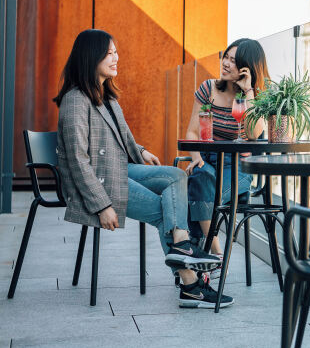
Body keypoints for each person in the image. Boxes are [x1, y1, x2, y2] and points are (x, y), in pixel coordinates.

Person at [54, 29, 233, 309]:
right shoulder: (76, 100)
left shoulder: (106, 96)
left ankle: (182, 244)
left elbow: (118, 138)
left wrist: (141, 151)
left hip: (118, 169)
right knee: (166, 210)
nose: (116, 57)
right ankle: (191, 285)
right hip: (97, 182)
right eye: (109, 52)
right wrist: (101, 206)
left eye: (115, 51)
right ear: (91, 56)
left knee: (175, 175)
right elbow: (78, 160)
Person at [184, 38, 268, 258]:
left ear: (246, 68)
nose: (226, 64)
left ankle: (197, 252)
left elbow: (253, 133)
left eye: (234, 61)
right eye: (226, 58)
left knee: (195, 192)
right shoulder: (208, 88)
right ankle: (217, 254)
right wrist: (196, 158)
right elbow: (192, 132)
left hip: (238, 167)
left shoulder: (254, 97)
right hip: (207, 160)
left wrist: (248, 91)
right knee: (201, 179)